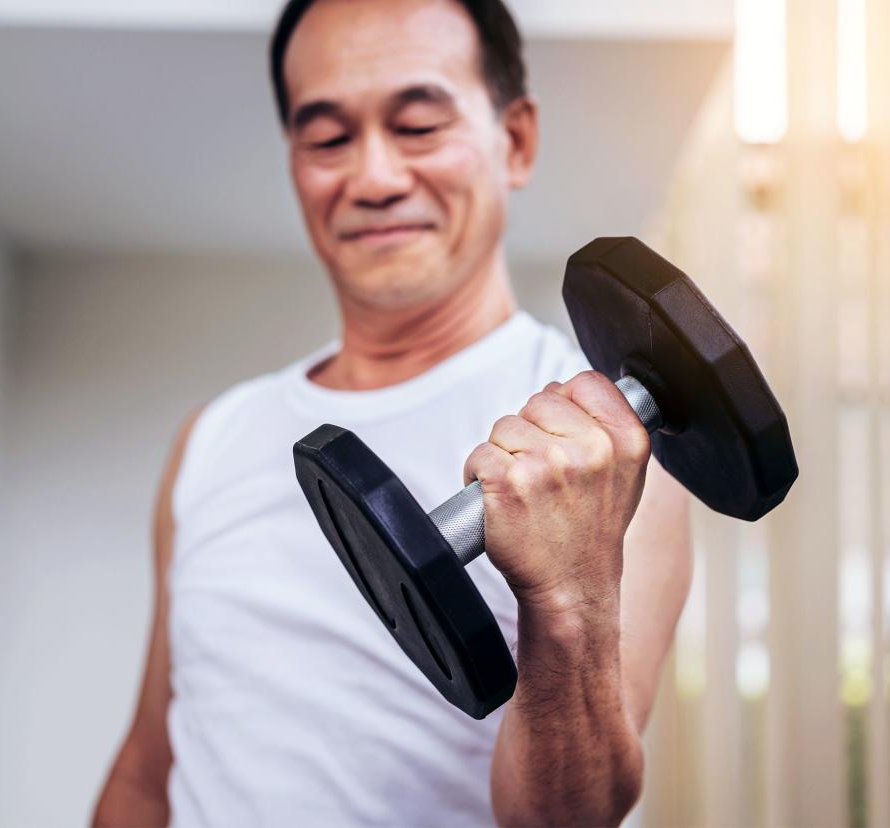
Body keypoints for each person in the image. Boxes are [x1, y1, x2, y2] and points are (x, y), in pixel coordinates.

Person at [94, 0, 692, 824]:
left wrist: (569, 598)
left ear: (513, 140)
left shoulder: (609, 446)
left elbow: (564, 821)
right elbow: (145, 772)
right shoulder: (211, 439)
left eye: (416, 126)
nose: (374, 179)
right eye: (329, 139)